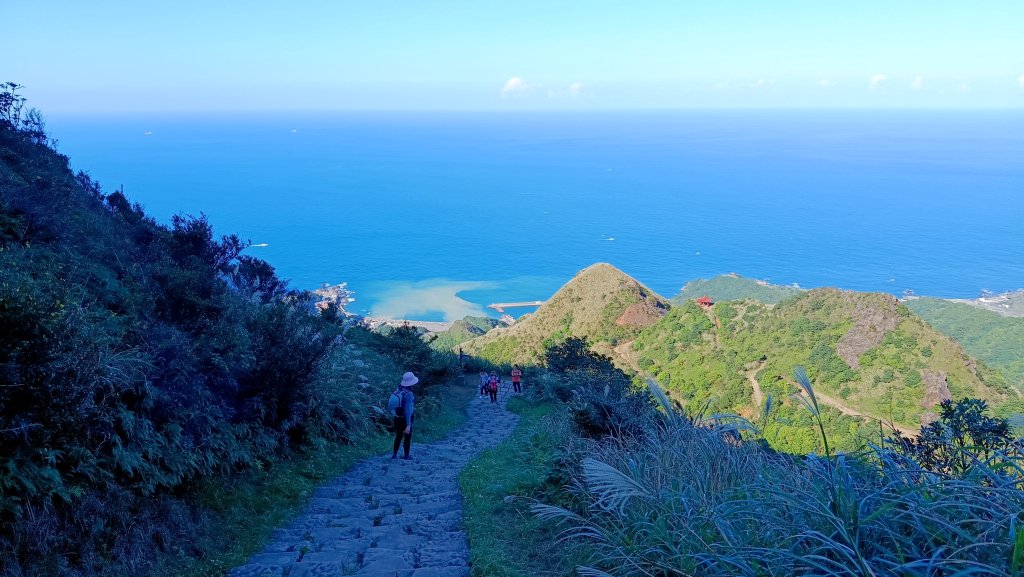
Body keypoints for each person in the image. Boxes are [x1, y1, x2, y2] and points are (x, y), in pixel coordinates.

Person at [391, 371, 418, 459]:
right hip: (405, 418)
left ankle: (394, 454)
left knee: (398, 435)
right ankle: (406, 455)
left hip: (397, 417)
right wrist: (408, 425)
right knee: (407, 437)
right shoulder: (409, 394)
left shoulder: (398, 390)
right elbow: (408, 410)